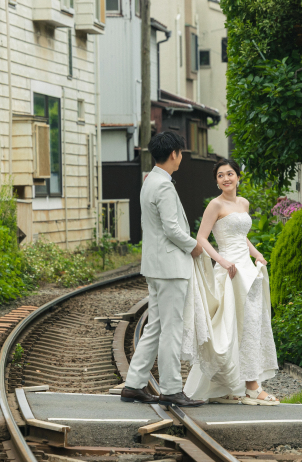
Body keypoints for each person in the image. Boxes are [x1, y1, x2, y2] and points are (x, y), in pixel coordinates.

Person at [181, 158, 280, 405]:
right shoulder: (215, 205)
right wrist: (221, 261)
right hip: (229, 271)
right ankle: (251, 387)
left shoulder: (243, 203)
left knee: (249, 324)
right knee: (229, 328)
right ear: (217, 182)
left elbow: (241, 236)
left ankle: (241, 384)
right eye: (221, 176)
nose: (226, 178)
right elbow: (201, 238)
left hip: (246, 268)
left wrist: (255, 252)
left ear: (238, 177)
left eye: (230, 174)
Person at [122, 132, 205, 407]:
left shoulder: (150, 182)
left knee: (156, 327)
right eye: (180, 152)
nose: (181, 157)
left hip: (156, 266)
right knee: (171, 329)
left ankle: (133, 384)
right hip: (170, 267)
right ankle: (171, 389)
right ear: (174, 154)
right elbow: (172, 229)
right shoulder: (165, 186)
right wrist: (194, 246)